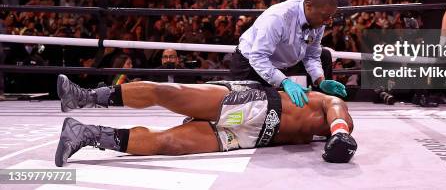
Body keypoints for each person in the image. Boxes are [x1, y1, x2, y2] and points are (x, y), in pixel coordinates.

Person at [55, 75, 357, 166]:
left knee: (169, 145)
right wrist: (341, 132)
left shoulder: (319, 135)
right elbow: (336, 107)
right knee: (170, 92)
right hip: (259, 105)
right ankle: (83, 95)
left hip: (253, 137)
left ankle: (86, 135)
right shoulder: (328, 103)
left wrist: (335, 141)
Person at [232, 0, 346, 107]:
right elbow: (258, 57)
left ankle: (323, 107)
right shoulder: (278, 18)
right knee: (256, 114)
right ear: (308, 6)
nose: (328, 22)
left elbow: (312, 55)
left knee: (324, 56)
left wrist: (320, 80)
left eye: (330, 16)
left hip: (284, 61)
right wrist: (284, 81)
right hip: (251, 65)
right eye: (325, 16)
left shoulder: (319, 19)